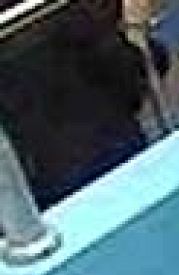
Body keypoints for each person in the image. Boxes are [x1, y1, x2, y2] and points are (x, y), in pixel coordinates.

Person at [0, 0, 151, 207]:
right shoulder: (63, 13)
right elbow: (130, 81)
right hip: (116, 159)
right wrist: (135, 29)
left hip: (30, 200)